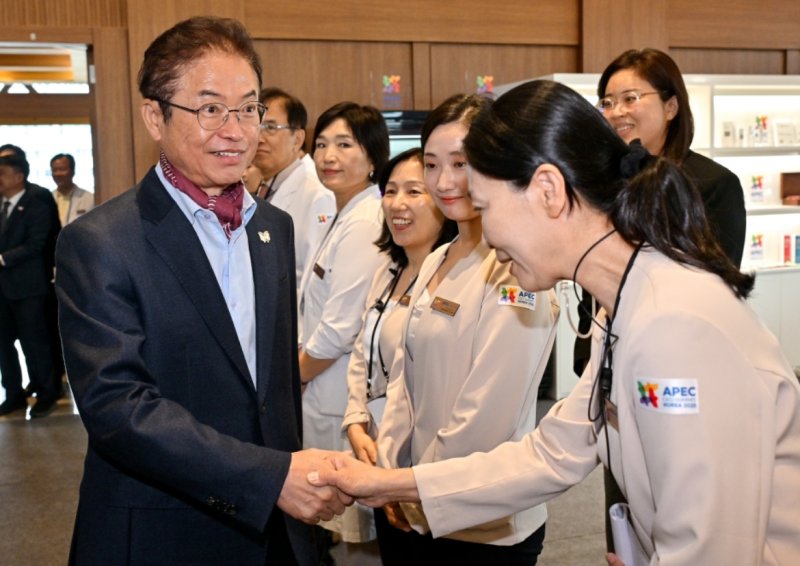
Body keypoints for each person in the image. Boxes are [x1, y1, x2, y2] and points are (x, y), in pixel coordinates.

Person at [310, 79, 800, 565]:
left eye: (483, 206)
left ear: (547, 190)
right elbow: (551, 453)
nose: (487, 233)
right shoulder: (627, 307)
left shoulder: (674, 326)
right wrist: (385, 483)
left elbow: (709, 551)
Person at [54, 17, 350, 565]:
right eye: (210, 108)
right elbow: (118, 408)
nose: (237, 131)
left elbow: (275, 386)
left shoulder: (273, 227)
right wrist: (269, 478)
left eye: (248, 108)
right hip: (164, 532)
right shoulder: (100, 242)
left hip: (274, 532)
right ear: (155, 117)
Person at [573, 48, 751, 551]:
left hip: (681, 379)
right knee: (622, 512)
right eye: (607, 101)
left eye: (631, 97)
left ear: (671, 106)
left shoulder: (712, 184)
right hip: (611, 374)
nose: (616, 111)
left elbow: (713, 287)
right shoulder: (602, 186)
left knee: (683, 513)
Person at [372, 94, 559, 565]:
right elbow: (404, 379)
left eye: (462, 162)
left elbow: (485, 417)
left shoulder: (520, 271)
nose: (445, 181)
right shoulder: (439, 256)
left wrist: (417, 491)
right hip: (411, 504)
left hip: (479, 524)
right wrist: (391, 470)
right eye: (432, 165)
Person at [341, 147, 456, 554]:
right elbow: (362, 353)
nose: (397, 204)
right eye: (390, 192)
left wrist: (401, 473)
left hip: (429, 472)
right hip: (378, 460)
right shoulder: (388, 271)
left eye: (413, 192)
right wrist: (356, 421)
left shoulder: (457, 280)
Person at [298, 101, 388, 547]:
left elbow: (338, 328)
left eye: (344, 144)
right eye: (322, 145)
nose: (328, 156)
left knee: (350, 525)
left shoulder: (366, 221)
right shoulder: (341, 212)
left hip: (336, 388)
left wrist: (291, 378)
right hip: (322, 385)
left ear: (372, 157)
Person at [246, 87, 335, 294]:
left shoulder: (318, 195)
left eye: (270, 127)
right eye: (255, 126)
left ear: (297, 139)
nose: (259, 138)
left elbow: (313, 280)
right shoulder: (265, 186)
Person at [0, 144, 63, 398]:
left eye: (2, 173)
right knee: (4, 344)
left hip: (29, 286)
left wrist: (3, 258)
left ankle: (47, 392)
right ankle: (13, 393)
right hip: (3, 287)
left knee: (34, 342)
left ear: (18, 176)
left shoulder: (36, 199)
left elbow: (38, 243)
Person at [50, 153, 95, 226]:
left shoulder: (89, 198)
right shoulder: (48, 199)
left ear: (73, 171)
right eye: (54, 170)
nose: (58, 174)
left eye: (62, 169)